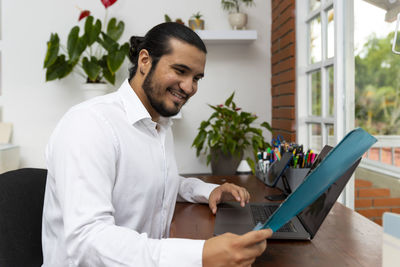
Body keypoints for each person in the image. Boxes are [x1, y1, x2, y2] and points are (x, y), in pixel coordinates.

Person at [41, 22, 272, 267]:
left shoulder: (159, 124)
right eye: (180, 71)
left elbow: (157, 180)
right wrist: (200, 255)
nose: (189, 87)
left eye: (196, 78)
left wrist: (209, 191)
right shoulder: (89, 124)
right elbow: (87, 242)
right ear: (144, 61)